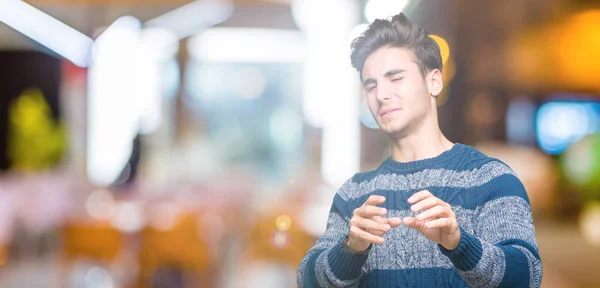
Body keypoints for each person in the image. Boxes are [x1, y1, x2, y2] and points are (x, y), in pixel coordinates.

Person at [297, 13, 542, 288]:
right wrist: (350, 249)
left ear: (434, 82)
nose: (381, 94)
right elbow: (308, 280)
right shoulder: (354, 195)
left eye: (395, 78)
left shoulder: (491, 179)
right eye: (371, 85)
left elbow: (528, 277)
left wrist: (460, 244)